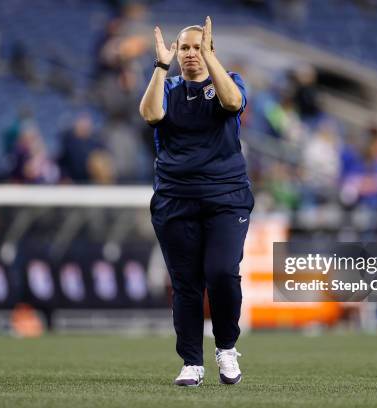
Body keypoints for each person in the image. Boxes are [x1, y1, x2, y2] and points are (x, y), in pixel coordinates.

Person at [139, 16, 253, 387]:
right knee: (186, 283)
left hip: (225, 196)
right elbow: (151, 114)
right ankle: (192, 361)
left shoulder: (229, 82)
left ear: (210, 50)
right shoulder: (167, 87)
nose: (190, 54)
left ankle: (226, 348)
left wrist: (210, 56)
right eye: (184, 48)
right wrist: (160, 65)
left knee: (221, 272)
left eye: (197, 47)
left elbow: (233, 103)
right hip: (176, 198)